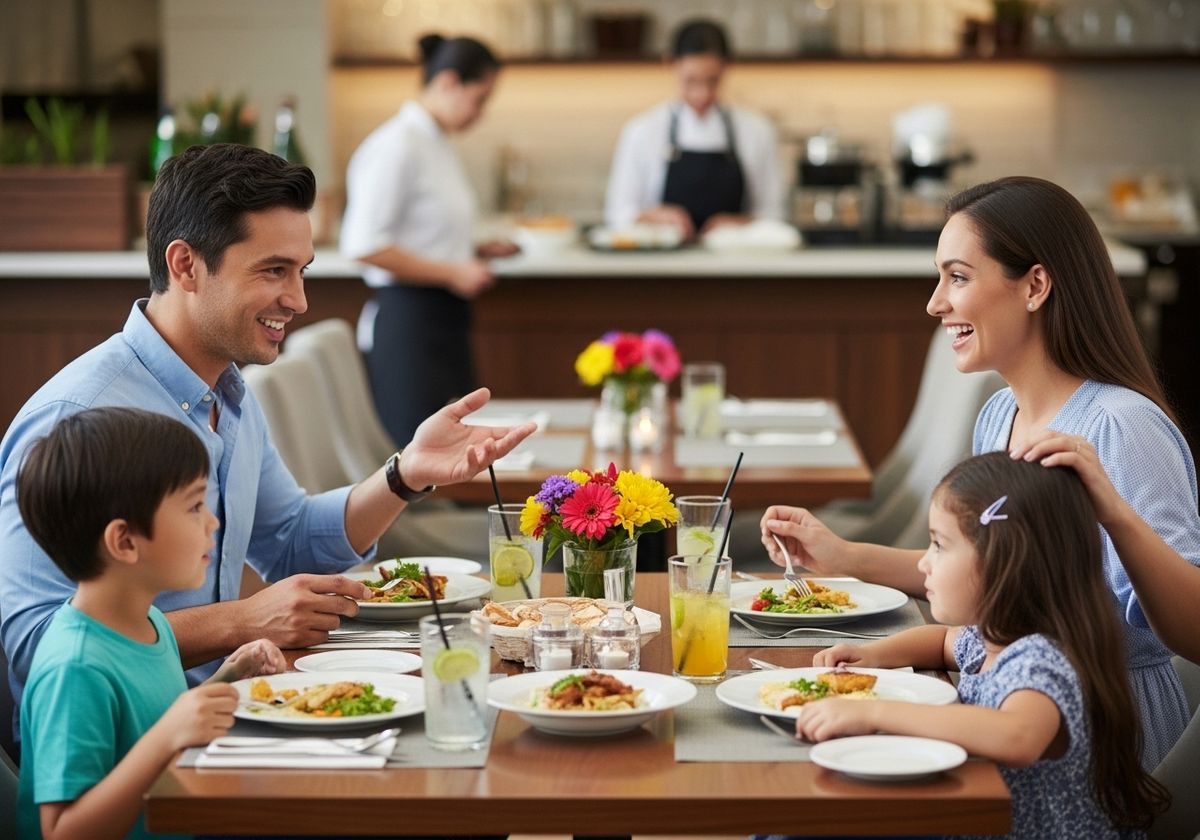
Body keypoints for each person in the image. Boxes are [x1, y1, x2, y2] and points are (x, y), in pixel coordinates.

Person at [0, 142, 535, 736]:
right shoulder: (75, 416)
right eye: (272, 270)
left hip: (221, 713)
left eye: (300, 270)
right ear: (185, 266)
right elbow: (35, 643)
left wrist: (402, 474)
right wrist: (238, 621)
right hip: (131, 753)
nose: (299, 300)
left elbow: (290, 541)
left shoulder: (228, 393)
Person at [762, 176, 1200, 768]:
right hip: (999, 708)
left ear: (1035, 286)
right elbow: (987, 576)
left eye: (958, 277)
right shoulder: (999, 416)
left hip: (1102, 738)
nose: (935, 302)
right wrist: (843, 557)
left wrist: (1116, 515)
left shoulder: (1124, 426)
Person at [796, 453, 1169, 839]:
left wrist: (876, 714)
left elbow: (1017, 736)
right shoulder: (993, 636)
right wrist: (875, 655)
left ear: (1004, 560)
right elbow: (941, 641)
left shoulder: (1042, 657)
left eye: (939, 545)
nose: (924, 563)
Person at [15, 407, 288, 840]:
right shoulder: (75, 667)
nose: (212, 522)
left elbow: (152, 726)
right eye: (195, 506)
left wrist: (230, 676)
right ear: (124, 542)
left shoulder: (150, 624)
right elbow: (63, 831)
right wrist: (168, 736)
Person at [340, 33, 517, 446]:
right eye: (480, 98)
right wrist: (453, 270)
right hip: (410, 324)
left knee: (457, 451)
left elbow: (422, 229)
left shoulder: (434, 143)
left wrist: (473, 248)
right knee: (420, 458)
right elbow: (363, 245)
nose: (481, 113)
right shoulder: (396, 145)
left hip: (444, 319)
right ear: (449, 82)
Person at [604, 19, 785, 240]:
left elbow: (775, 214)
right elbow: (617, 214)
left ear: (727, 67)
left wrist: (741, 223)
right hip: (662, 266)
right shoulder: (642, 130)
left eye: (713, 81)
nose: (702, 94)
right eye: (690, 81)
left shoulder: (757, 130)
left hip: (736, 265)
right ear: (671, 63)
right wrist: (656, 216)